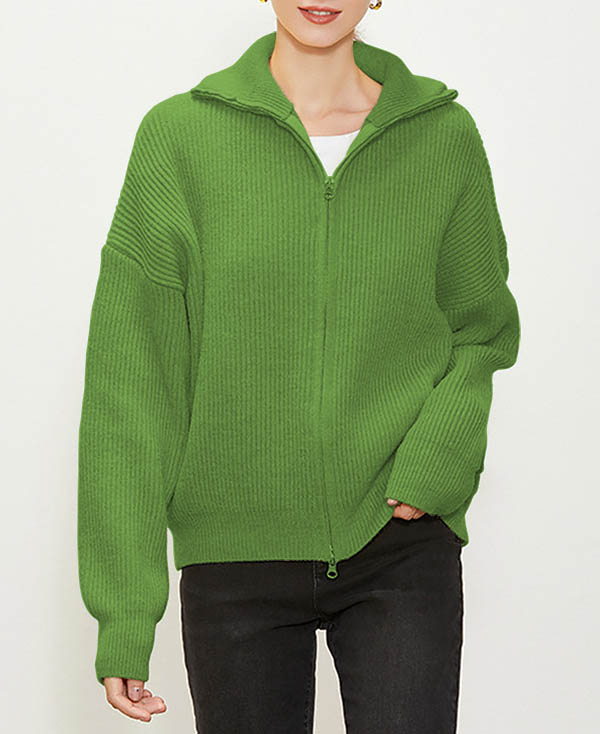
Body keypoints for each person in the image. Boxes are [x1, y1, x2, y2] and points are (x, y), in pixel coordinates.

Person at [77, 1, 521, 732]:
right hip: (234, 554)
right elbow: (132, 384)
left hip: (397, 538)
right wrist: (124, 612)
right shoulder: (179, 138)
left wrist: (438, 458)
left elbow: (481, 331)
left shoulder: (443, 137)